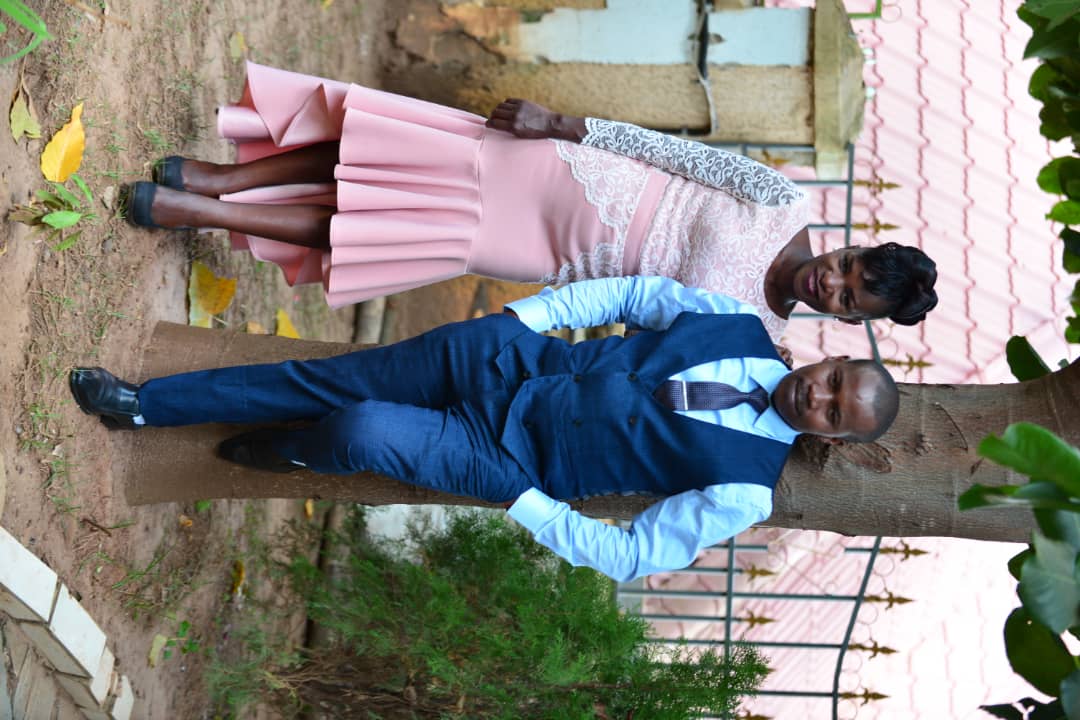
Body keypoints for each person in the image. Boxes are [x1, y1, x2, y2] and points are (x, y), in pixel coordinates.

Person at [70, 277, 899, 581]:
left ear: (834, 438)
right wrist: (527, 317)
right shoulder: (737, 324)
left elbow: (633, 556)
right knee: (332, 380)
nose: (817, 396)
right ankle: (144, 403)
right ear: (831, 356)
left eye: (834, 413)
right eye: (833, 380)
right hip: (504, 359)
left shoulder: (748, 489)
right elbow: (633, 294)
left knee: (360, 430)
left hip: (508, 458)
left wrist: (526, 501)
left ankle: (287, 450)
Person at [124, 62, 938, 340]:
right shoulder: (784, 202)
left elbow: (644, 327)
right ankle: (220, 179)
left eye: (849, 299)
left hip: (560, 257)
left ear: (849, 321)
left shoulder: (759, 334)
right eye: (849, 267)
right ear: (850, 247)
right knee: (393, 151)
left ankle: (204, 215)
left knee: (388, 228)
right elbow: (680, 155)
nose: (832, 283)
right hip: (579, 175)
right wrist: (564, 126)